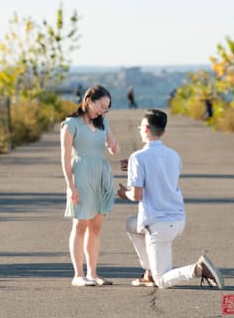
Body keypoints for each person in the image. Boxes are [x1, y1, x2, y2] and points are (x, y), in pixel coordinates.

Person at [117, 109, 224, 289]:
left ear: (146, 128)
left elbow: (136, 195)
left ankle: (197, 269)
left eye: (140, 127)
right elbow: (161, 176)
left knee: (162, 281)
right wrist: (133, 169)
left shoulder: (137, 157)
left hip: (157, 224)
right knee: (131, 224)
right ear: (163, 131)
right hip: (177, 220)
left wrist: (123, 193)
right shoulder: (174, 155)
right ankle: (149, 271)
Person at [60, 85, 120, 286]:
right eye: (101, 105)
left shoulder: (104, 123)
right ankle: (78, 274)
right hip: (82, 174)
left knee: (96, 227)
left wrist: (113, 146)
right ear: (88, 101)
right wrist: (70, 186)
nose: (103, 110)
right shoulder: (70, 124)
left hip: (102, 174)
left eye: (106, 107)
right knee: (80, 225)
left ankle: (93, 274)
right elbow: (65, 158)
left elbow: (113, 146)